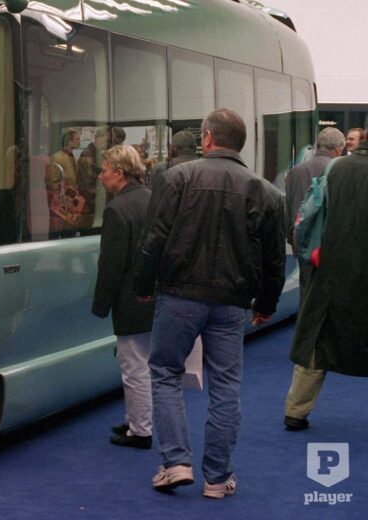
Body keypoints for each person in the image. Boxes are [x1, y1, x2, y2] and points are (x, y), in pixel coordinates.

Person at [135, 108, 285, 499]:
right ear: (240, 144)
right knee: (225, 388)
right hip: (232, 303)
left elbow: (154, 239)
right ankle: (217, 479)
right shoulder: (266, 193)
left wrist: (143, 285)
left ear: (206, 139)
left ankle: (176, 463)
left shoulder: (177, 178)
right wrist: (266, 304)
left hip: (179, 296)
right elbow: (274, 260)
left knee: (165, 373)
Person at [283, 131, 368, 431]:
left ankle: (296, 410)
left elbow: (309, 215)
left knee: (316, 341)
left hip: (330, 269)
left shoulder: (336, 168)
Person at [91, 144, 154, 449]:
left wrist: (101, 304)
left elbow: (111, 264)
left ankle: (140, 430)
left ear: (118, 173)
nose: (100, 176)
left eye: (103, 170)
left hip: (130, 299)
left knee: (133, 367)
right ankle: (133, 420)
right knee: (142, 362)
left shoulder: (116, 210)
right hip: (154, 296)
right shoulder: (153, 199)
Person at [283, 127, 344, 295]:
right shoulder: (340, 171)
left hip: (302, 243)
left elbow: (288, 209)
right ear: (339, 149)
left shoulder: (295, 172)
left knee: (306, 290)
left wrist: (292, 241)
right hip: (330, 245)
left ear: (318, 145)